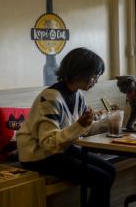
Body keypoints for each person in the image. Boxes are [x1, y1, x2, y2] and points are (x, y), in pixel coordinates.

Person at [17, 47, 116, 207]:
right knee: (101, 179)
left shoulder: (78, 95)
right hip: (38, 156)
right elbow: (48, 143)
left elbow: (83, 129)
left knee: (110, 170)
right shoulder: (50, 99)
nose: (96, 80)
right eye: (94, 75)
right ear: (79, 73)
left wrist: (107, 122)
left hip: (61, 149)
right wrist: (80, 125)